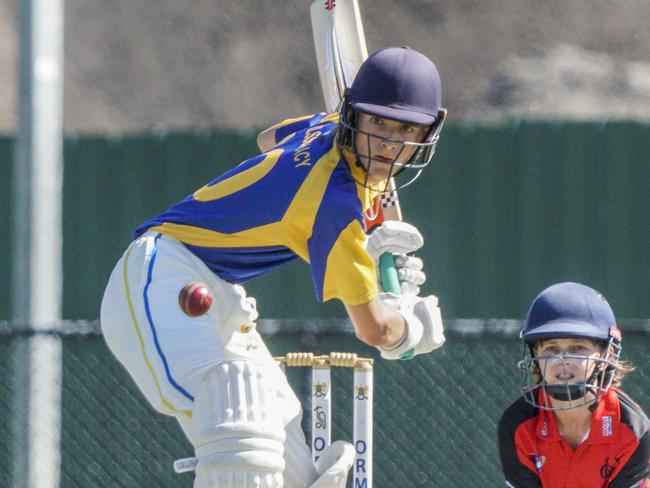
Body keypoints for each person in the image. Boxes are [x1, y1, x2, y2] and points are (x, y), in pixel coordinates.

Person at [100, 46, 447, 488]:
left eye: (406, 129)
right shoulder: (336, 205)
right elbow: (375, 331)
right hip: (162, 279)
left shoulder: (325, 128)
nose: (389, 142)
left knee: (287, 459)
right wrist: (409, 328)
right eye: (377, 121)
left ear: (427, 132)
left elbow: (270, 138)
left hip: (217, 293)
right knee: (239, 425)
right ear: (354, 115)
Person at [498, 282, 650, 488]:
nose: (562, 359)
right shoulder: (517, 425)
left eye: (578, 348)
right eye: (551, 348)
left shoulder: (633, 428)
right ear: (535, 355)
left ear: (607, 354)